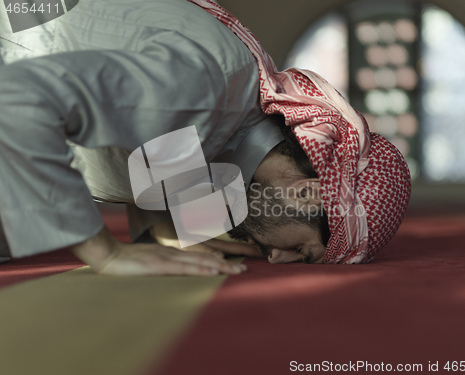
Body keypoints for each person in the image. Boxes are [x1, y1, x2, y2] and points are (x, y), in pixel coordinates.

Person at [0, 0, 411, 276]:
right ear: (307, 192)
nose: (276, 258)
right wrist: (105, 254)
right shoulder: (205, 88)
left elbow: (151, 149)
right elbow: (21, 101)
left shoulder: (231, 130)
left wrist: (163, 234)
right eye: (302, 250)